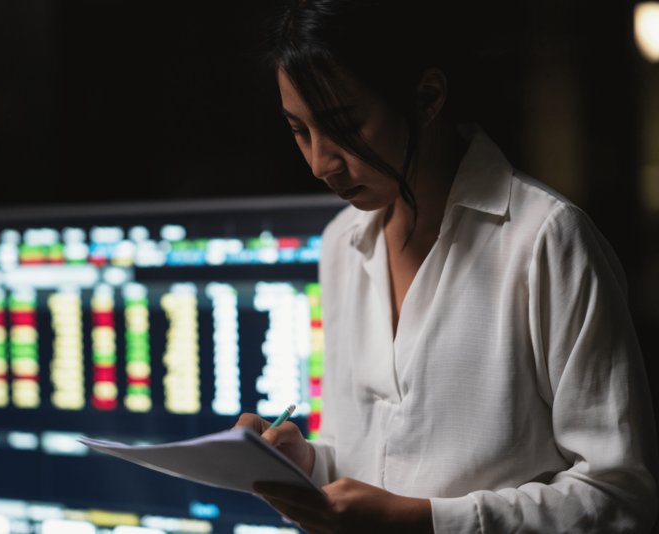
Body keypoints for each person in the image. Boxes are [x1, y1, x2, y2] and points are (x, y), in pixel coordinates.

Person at [233, 1, 659, 532]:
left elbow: (621, 498)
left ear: (428, 97)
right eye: (299, 130)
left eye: (344, 125)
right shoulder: (340, 243)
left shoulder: (544, 240)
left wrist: (423, 521)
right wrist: (309, 463)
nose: (321, 163)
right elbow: (373, 454)